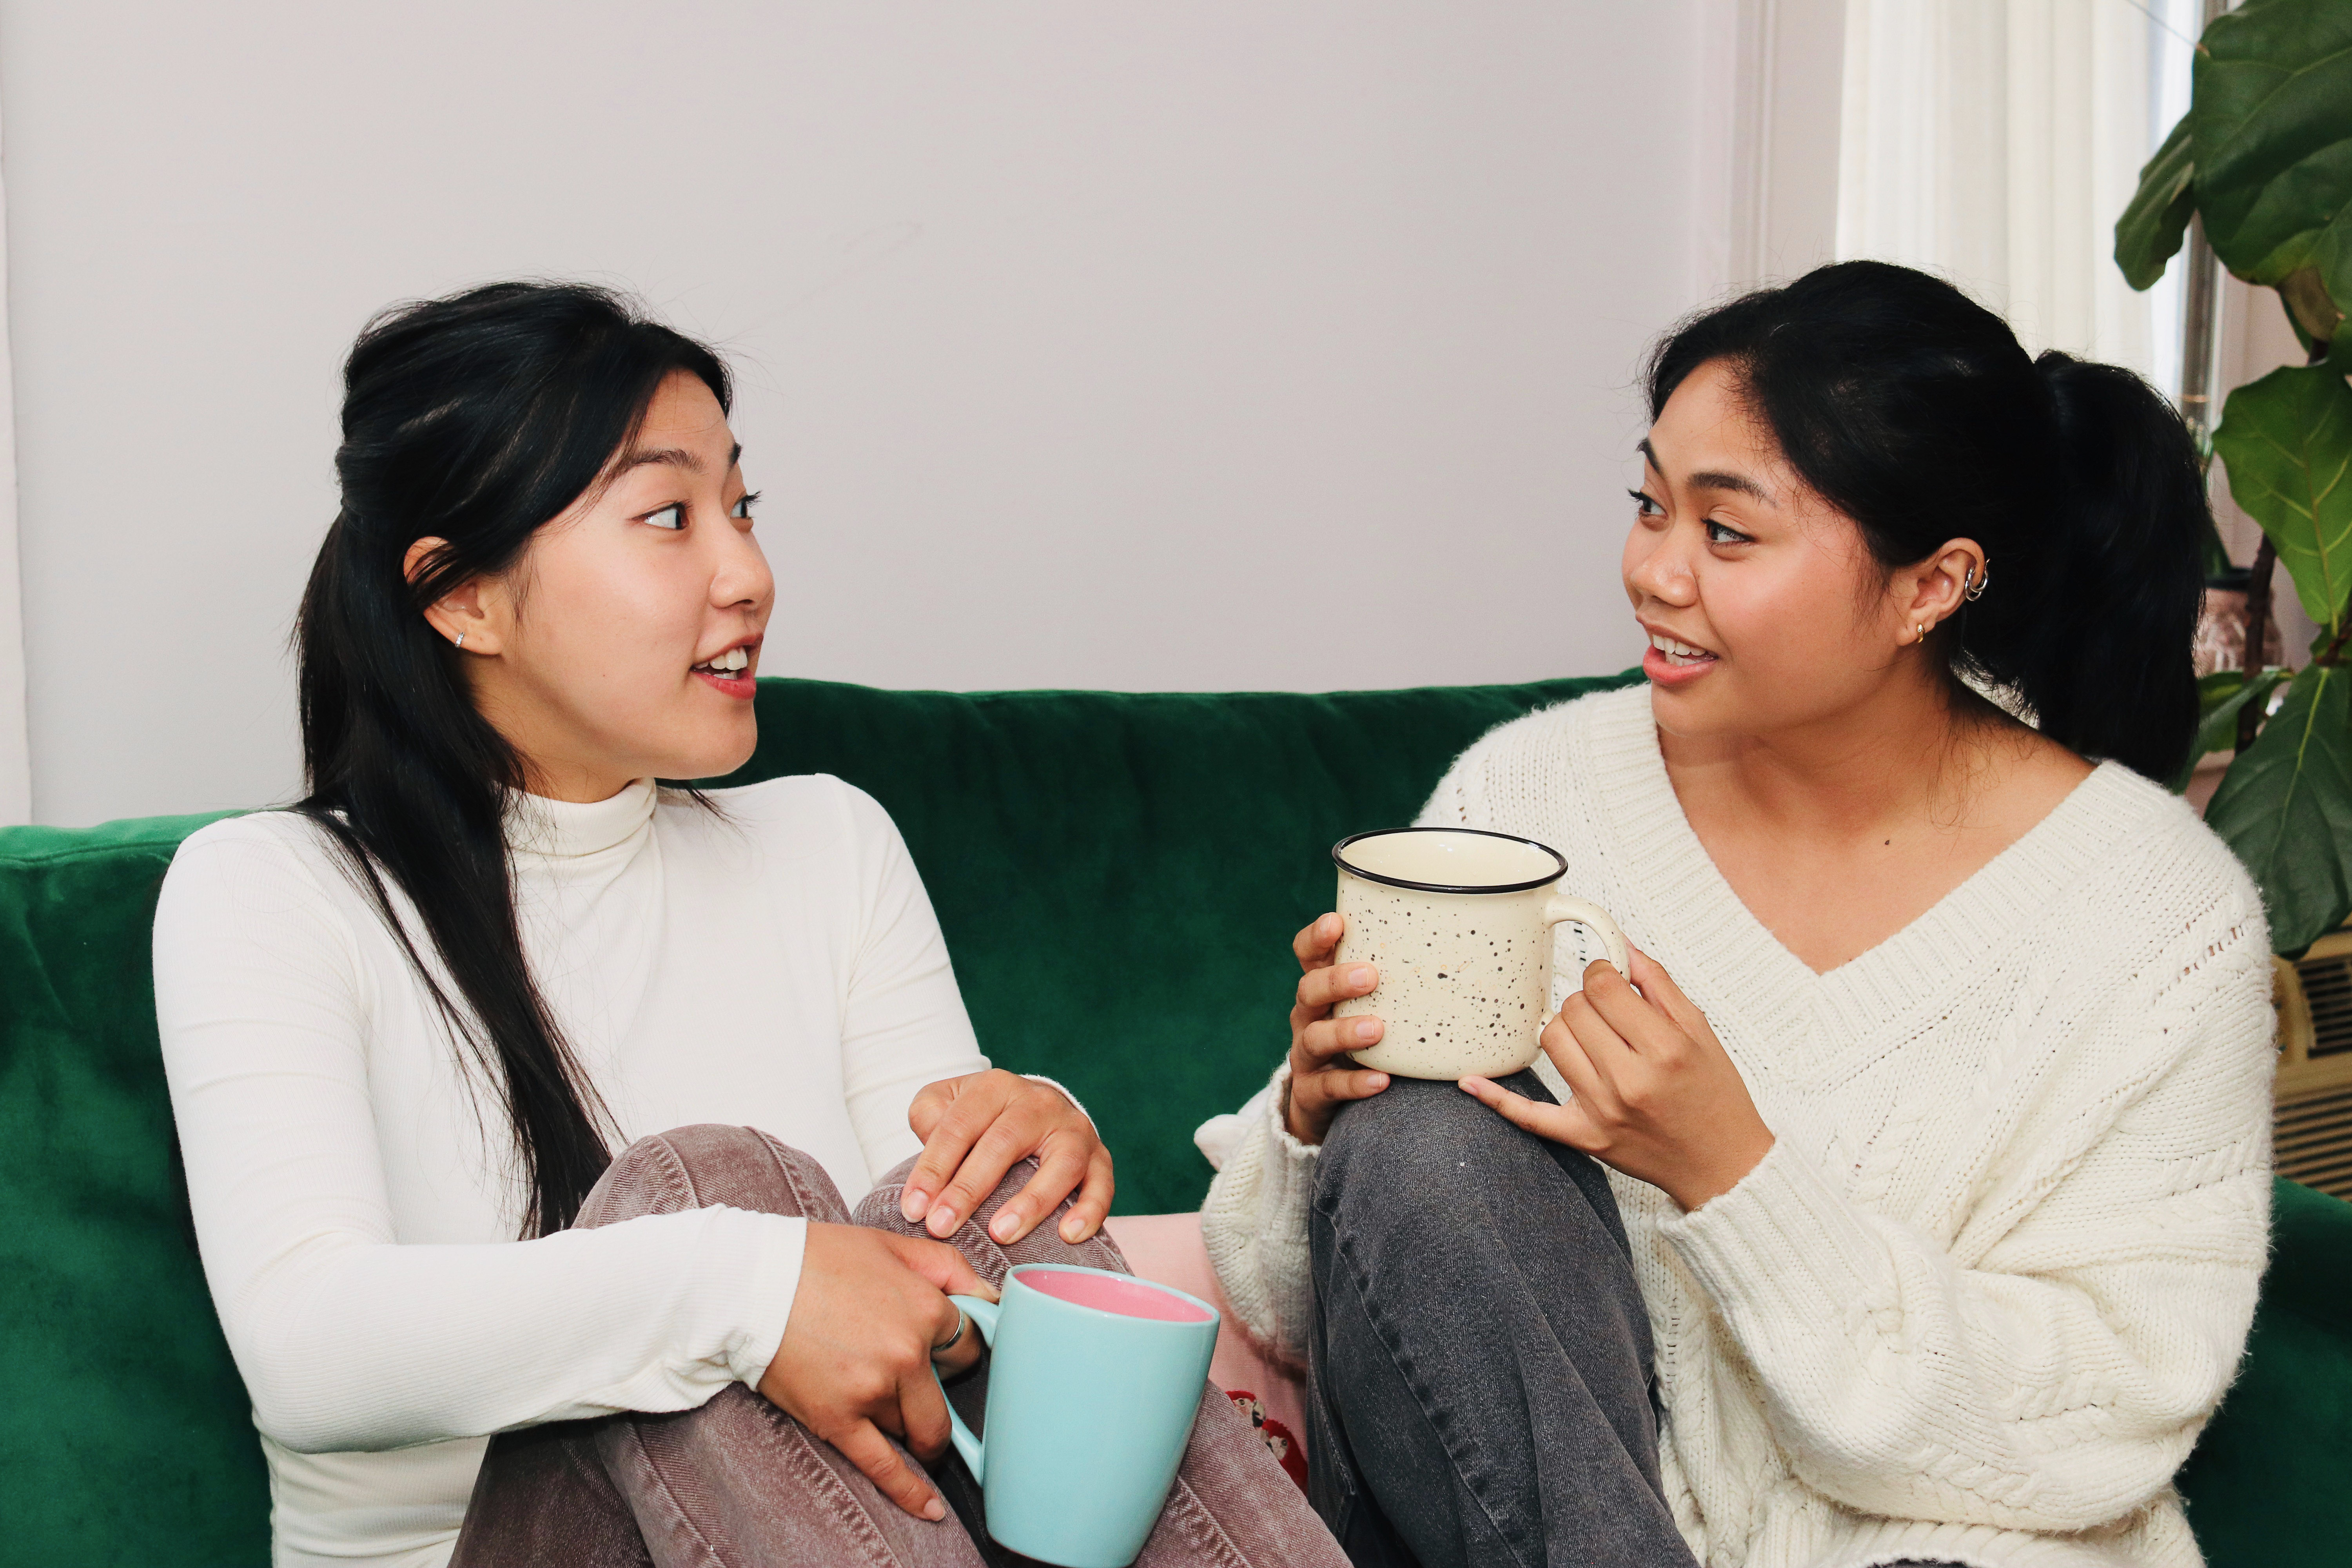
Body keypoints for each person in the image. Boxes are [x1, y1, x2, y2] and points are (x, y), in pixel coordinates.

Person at [155, 282, 1345, 1568]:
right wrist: (750, 1284)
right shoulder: (271, 888)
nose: (748, 574)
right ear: (463, 600)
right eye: (668, 517)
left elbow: (934, 1279)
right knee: (711, 1181)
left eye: (742, 506)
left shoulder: (830, 842)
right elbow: (310, 1351)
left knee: (991, 1197)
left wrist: (1026, 1129)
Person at [1198, 261, 2277, 1568]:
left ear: (1931, 587)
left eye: (1727, 533)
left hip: (1950, 1548)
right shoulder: (1531, 793)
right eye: (1649, 504)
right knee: (1424, 1138)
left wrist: (1733, 1175)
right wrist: (1314, 1123)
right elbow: (1324, 1306)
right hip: (1544, 1532)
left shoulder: (2157, 916)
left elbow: (2110, 1414)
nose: (1653, 571)